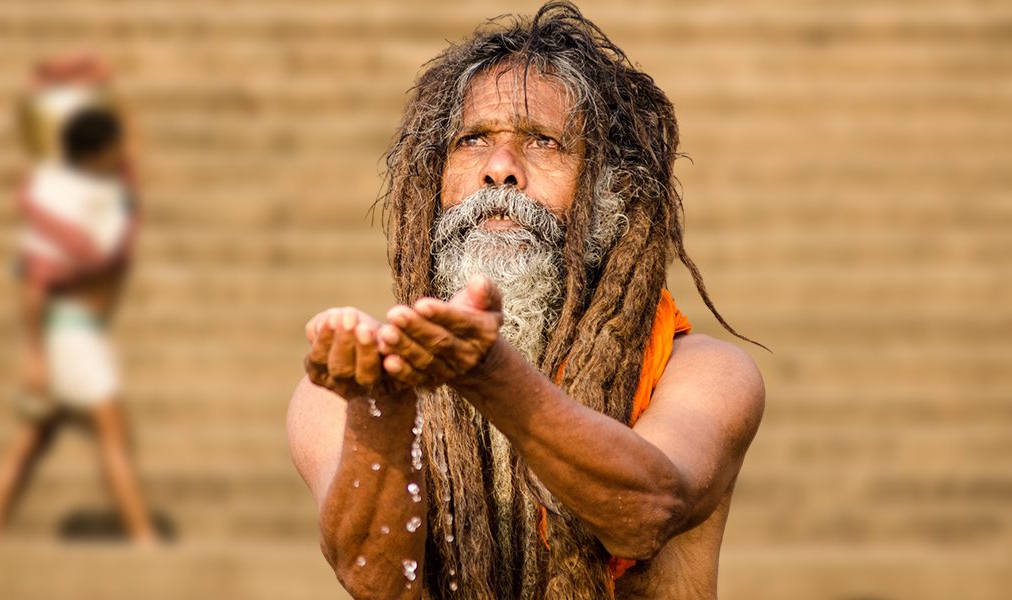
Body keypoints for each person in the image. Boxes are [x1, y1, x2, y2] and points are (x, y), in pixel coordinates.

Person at [286, 3, 764, 598]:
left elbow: (646, 513)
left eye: (544, 141)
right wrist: (379, 409)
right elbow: (373, 578)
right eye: (473, 140)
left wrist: (491, 377)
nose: (500, 170)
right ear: (433, 185)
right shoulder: (346, 386)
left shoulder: (702, 373)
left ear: (611, 193)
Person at [0, 54, 158, 546]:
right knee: (114, 439)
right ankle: (144, 540)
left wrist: (96, 83)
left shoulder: (89, 187)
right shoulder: (62, 193)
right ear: (97, 152)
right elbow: (34, 280)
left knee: (30, 443)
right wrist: (35, 356)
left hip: (74, 333)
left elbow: (130, 150)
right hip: (71, 336)